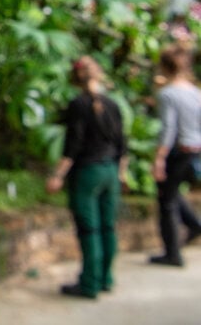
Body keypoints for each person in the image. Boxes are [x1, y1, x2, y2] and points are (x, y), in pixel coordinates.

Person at [46, 56, 127, 299]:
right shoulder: (112, 104)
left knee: (89, 229)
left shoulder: (78, 105)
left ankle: (89, 283)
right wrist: (121, 174)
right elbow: (122, 145)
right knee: (108, 226)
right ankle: (105, 278)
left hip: (88, 173)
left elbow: (73, 145)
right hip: (110, 171)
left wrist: (58, 175)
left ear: (74, 79)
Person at [149, 43, 201, 267]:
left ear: (164, 66)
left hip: (178, 150)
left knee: (166, 201)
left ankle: (172, 253)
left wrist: (159, 158)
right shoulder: (195, 92)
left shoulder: (168, 94)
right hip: (194, 149)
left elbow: (168, 129)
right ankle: (195, 225)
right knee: (172, 192)